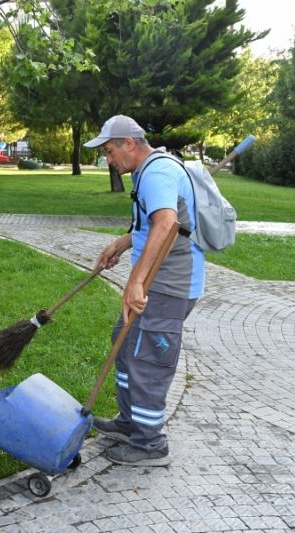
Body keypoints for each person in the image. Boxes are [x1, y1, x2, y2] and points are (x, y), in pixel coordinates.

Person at [85, 115, 205, 466]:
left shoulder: (156, 172)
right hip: (159, 279)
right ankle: (130, 423)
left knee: (147, 358)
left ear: (130, 144)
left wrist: (135, 281)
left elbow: (167, 222)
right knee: (125, 344)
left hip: (167, 285)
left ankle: (150, 445)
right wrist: (123, 243)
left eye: (109, 151)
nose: (108, 159)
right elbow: (154, 222)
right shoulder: (148, 170)